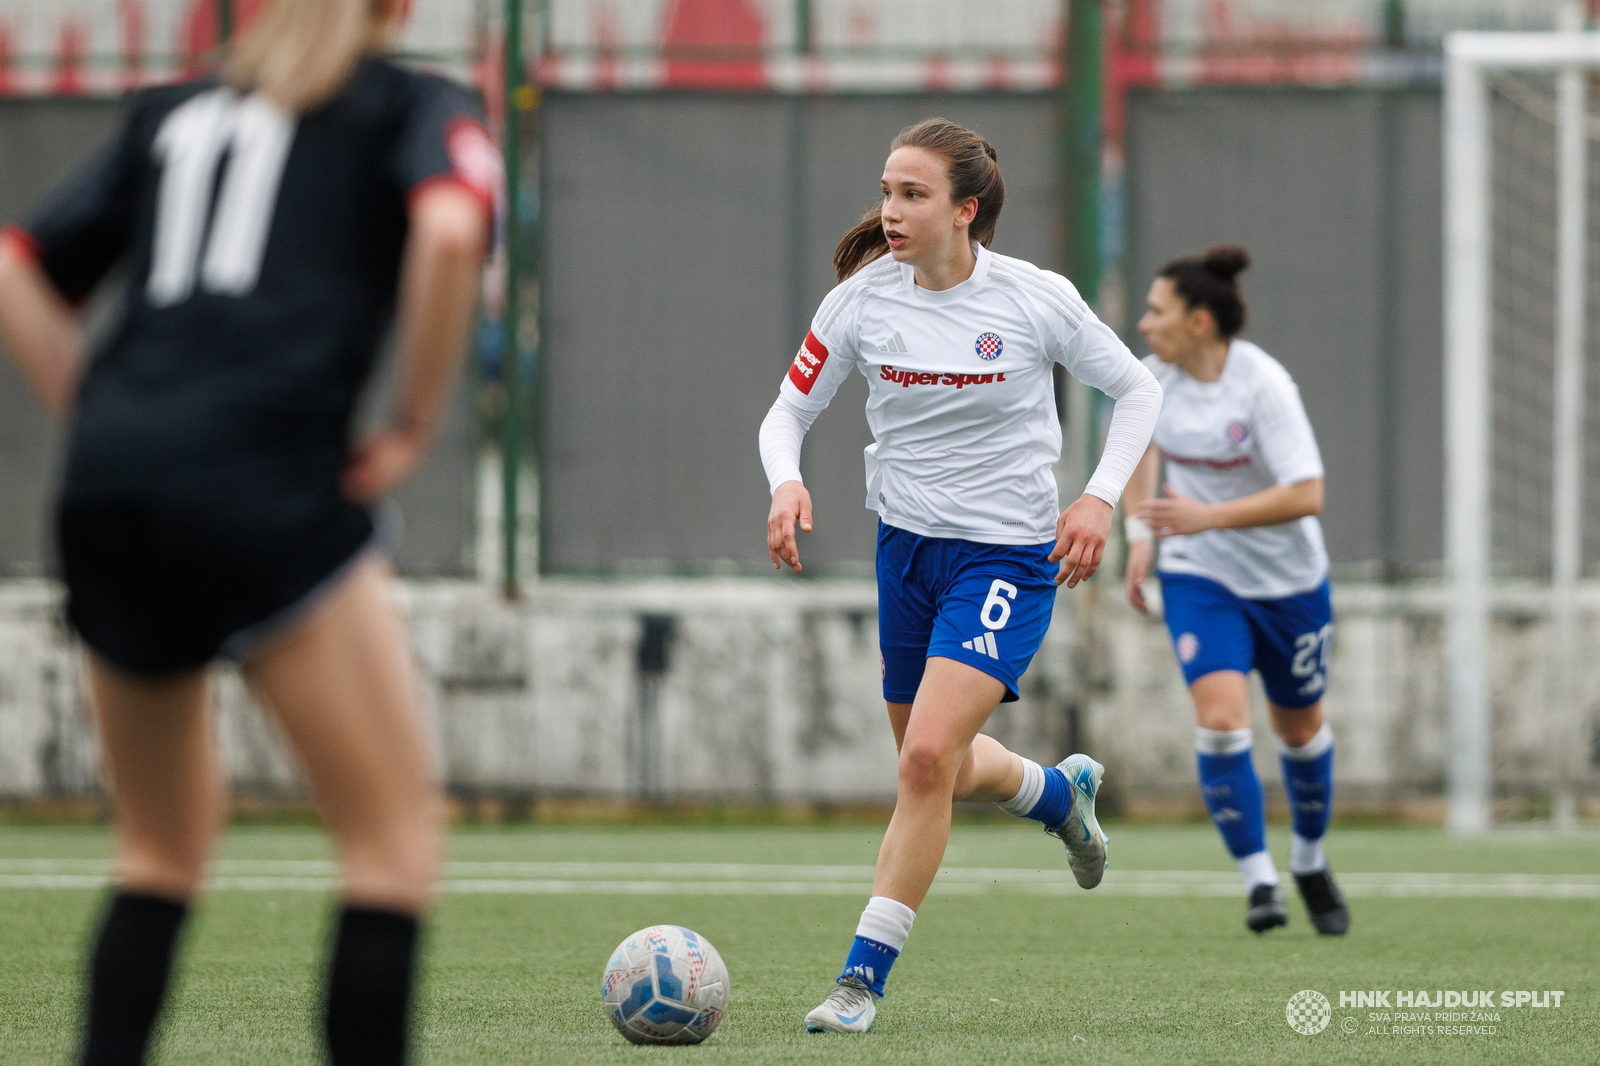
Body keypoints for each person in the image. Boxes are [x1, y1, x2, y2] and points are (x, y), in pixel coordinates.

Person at [0, 1, 498, 1062]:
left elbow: (14, 262)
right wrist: (409, 421)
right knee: (389, 848)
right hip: (264, 476)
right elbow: (451, 231)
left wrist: (99, 412)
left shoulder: (169, 112)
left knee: (158, 849)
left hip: (111, 486)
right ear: (397, 9)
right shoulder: (409, 101)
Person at [760, 117, 1162, 1034]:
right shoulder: (863, 302)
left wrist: (1099, 500)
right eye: (887, 192)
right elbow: (786, 411)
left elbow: (1138, 390)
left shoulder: (1034, 299)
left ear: (965, 210)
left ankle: (861, 982)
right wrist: (786, 480)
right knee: (929, 763)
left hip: (1008, 559)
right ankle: (1061, 796)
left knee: (927, 760)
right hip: (904, 554)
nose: (890, 212)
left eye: (913, 195)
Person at [1125, 244, 1349, 936]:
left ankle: (1309, 859)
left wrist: (1207, 515)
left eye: (1156, 311)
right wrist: (1140, 535)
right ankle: (1260, 881)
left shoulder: (1263, 386)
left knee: (1299, 728)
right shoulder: (1150, 378)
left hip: (1289, 584)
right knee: (1222, 719)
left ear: (1199, 321)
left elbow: (1308, 493)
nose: (1143, 324)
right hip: (1201, 576)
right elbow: (1134, 446)